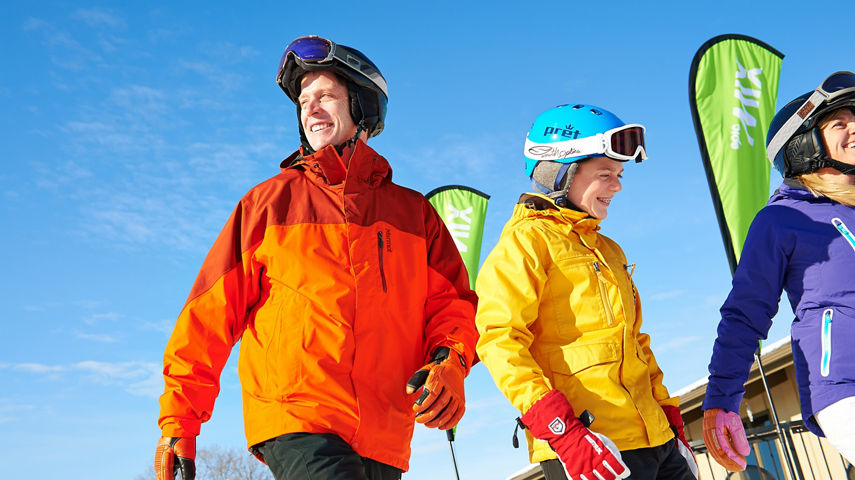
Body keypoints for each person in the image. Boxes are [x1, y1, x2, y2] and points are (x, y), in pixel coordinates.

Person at [153, 35, 478, 480]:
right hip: (297, 417)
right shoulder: (268, 205)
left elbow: (453, 307)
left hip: (386, 430)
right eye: (304, 100)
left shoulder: (413, 214)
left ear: (362, 107)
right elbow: (207, 317)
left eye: (325, 95)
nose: (311, 108)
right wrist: (179, 424)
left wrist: (450, 364)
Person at [474, 104, 697, 480]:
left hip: (655, 439)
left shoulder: (609, 249)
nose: (617, 185)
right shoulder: (526, 243)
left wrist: (669, 418)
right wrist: (562, 431)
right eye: (605, 173)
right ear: (559, 171)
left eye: (620, 174)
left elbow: (635, 343)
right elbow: (500, 340)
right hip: (591, 444)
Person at [703, 71, 855, 470]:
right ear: (803, 144)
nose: (854, 129)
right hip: (842, 383)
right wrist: (721, 400)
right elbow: (745, 312)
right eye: (840, 123)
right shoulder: (781, 219)